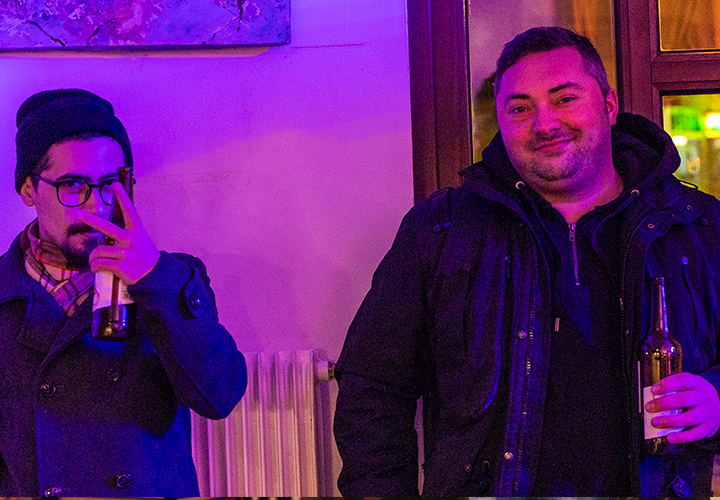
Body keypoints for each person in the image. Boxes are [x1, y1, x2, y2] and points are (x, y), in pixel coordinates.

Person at [334, 26, 720, 497]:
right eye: (520, 109)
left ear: (609, 105)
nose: (544, 124)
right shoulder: (440, 231)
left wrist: (718, 399)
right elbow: (372, 388)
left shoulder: (699, 226)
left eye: (564, 99)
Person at [0, 89, 247, 496]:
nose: (96, 206)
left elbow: (219, 397)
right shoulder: (5, 290)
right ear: (28, 189)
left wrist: (154, 277)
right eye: (73, 185)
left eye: (111, 184)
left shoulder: (173, 279)